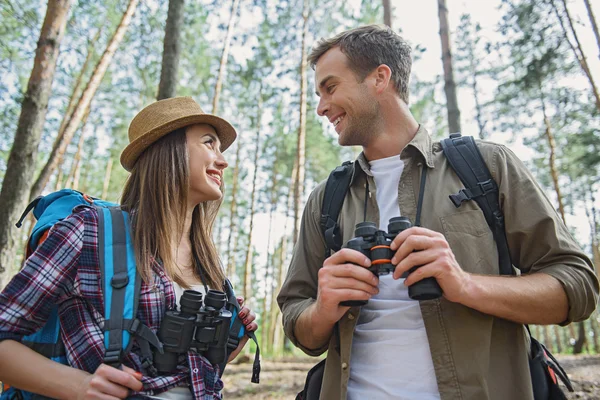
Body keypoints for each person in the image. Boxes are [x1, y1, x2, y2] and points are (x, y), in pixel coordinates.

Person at [277, 25, 599, 400]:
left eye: (330, 87)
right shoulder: (326, 199)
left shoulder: (487, 166)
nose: (321, 107)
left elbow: (577, 286)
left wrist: (465, 285)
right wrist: (322, 309)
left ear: (380, 78)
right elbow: (297, 320)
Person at [0, 96, 257, 399]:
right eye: (209, 143)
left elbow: (188, 373)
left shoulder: (207, 259)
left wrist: (227, 341)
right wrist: (80, 386)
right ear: (168, 149)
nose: (223, 160)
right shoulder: (89, 232)